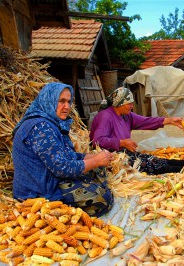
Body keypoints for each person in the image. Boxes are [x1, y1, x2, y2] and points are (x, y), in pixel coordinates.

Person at [12, 82, 114, 217]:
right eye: (61, 101)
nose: (67, 106)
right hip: (37, 191)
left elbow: (65, 155)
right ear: (49, 100)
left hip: (49, 178)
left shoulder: (50, 123)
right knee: (103, 200)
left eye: (68, 101)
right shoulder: (40, 127)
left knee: (96, 170)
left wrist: (90, 157)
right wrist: (95, 161)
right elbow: (61, 168)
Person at [89, 87, 184, 175]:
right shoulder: (105, 116)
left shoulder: (126, 116)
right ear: (120, 104)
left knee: (151, 158)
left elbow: (146, 121)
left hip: (123, 153)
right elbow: (97, 141)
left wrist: (169, 120)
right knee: (147, 164)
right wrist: (121, 143)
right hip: (110, 158)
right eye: (129, 103)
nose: (132, 106)